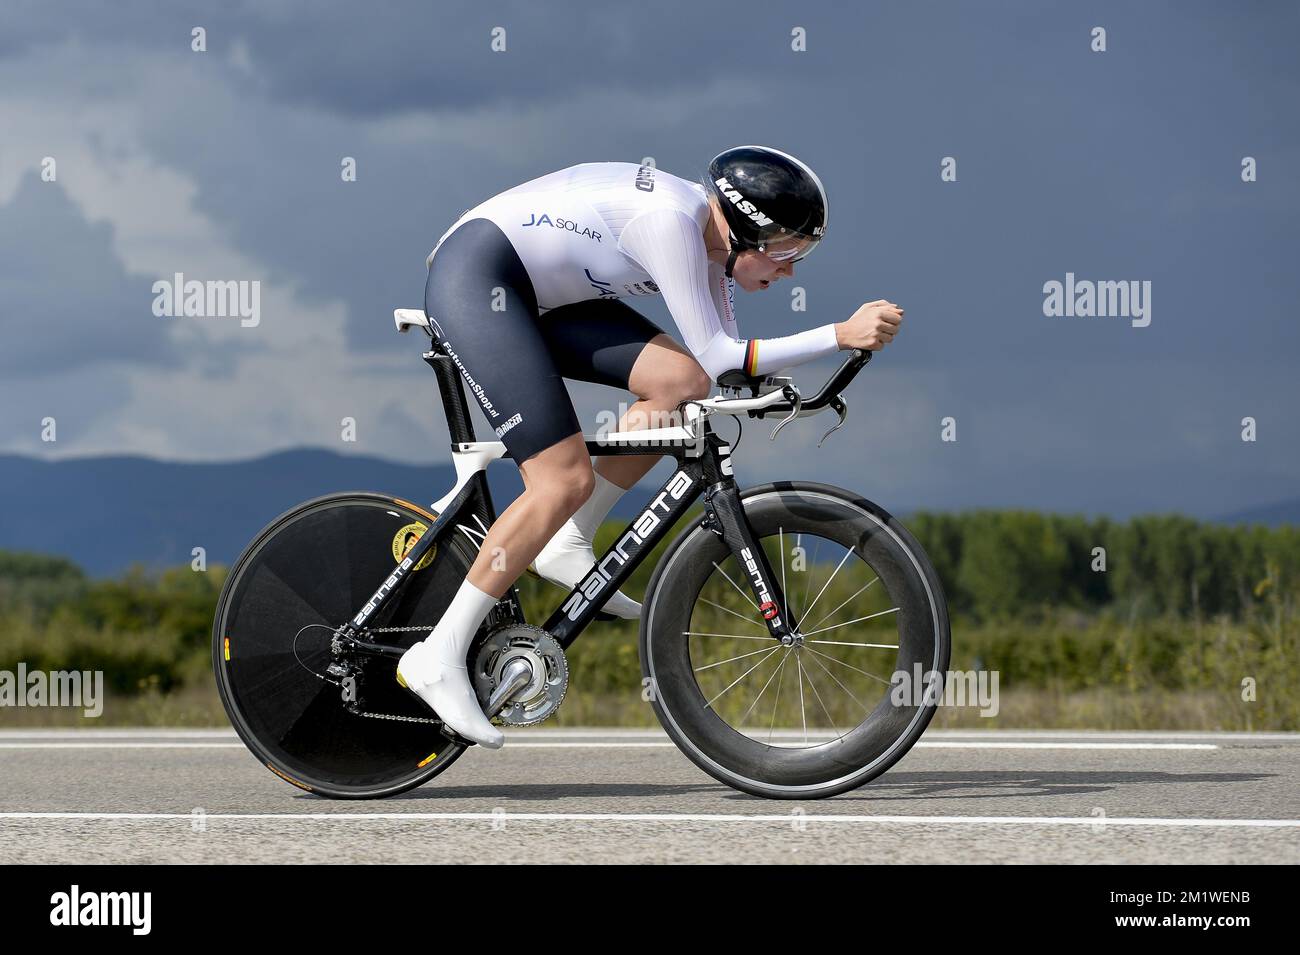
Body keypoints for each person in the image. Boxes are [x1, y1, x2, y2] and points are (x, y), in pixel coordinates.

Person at [398, 145, 904, 747]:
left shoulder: (714, 253)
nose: (791, 269)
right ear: (743, 225)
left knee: (678, 385)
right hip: (478, 279)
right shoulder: (671, 225)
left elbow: (715, 369)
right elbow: (724, 356)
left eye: (803, 252)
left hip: (539, 296)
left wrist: (782, 389)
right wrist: (838, 335)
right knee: (560, 479)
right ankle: (438, 654)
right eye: (787, 248)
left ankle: (567, 536)